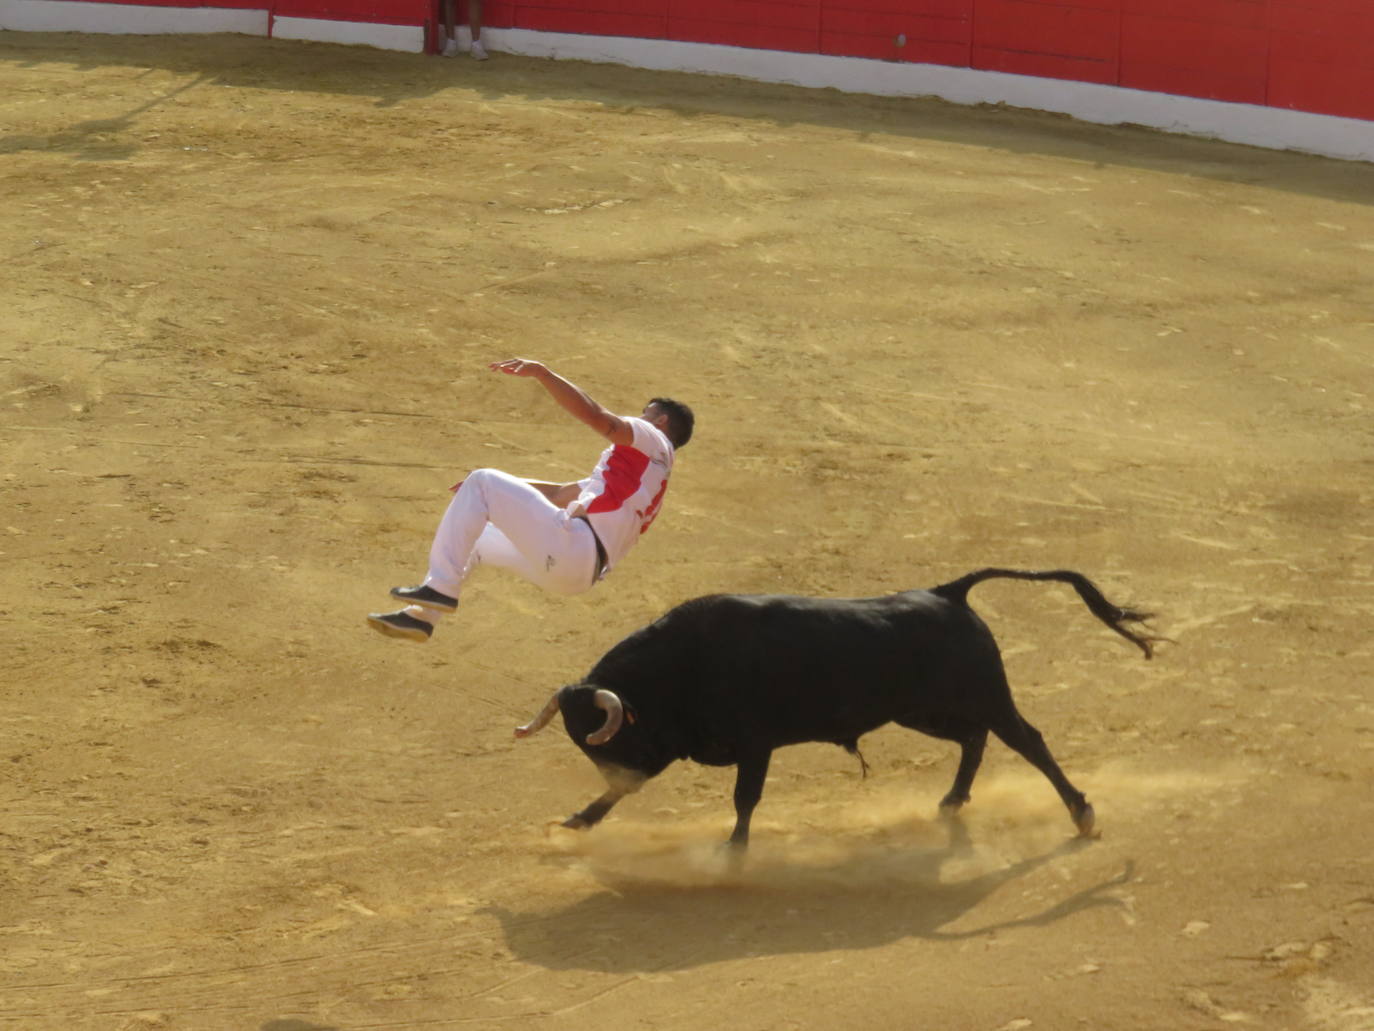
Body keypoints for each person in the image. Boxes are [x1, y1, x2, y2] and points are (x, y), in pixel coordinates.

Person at [367, 358, 694, 643]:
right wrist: (489, 492)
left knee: (484, 479)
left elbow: (600, 419)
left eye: (645, 413)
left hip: (575, 547)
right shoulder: (643, 480)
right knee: (477, 539)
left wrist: (544, 374)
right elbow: (557, 493)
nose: (638, 418)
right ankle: (420, 618)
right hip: (576, 572)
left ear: (661, 420)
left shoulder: (651, 438)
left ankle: (440, 589)